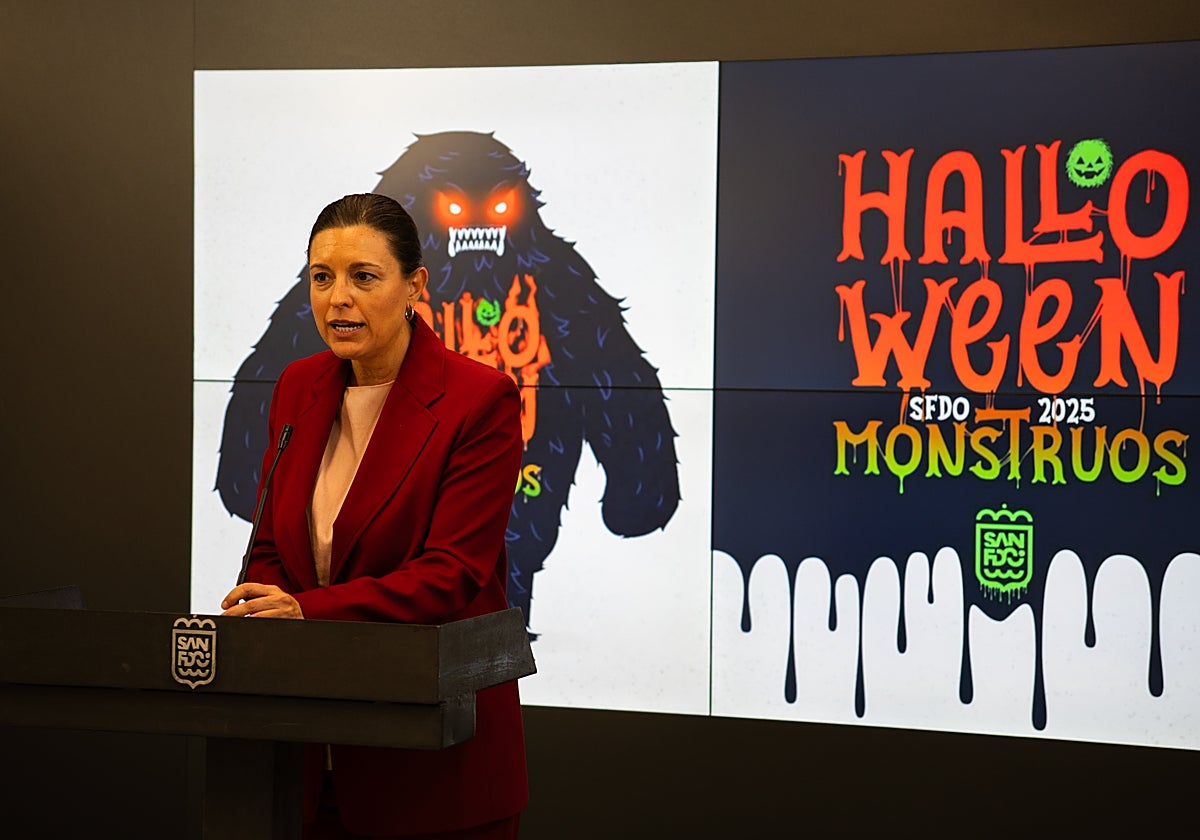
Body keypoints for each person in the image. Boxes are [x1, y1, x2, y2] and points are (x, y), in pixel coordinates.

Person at [220, 193, 528, 839]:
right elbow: (273, 543)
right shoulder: (298, 386)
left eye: (363, 277)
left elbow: (449, 575)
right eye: (321, 278)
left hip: (433, 772)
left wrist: (306, 612)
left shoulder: (480, 400)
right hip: (309, 758)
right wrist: (266, 602)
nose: (338, 299)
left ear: (415, 285)